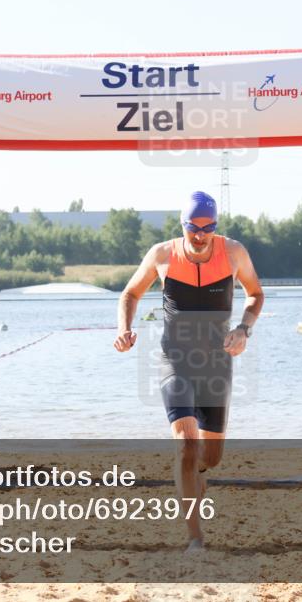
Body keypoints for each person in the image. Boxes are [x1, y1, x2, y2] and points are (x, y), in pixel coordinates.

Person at [114, 191, 264, 552]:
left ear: (216, 226)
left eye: (207, 228)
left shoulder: (233, 253)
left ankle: (194, 478)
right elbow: (130, 294)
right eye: (193, 228)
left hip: (216, 362)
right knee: (185, 445)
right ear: (182, 226)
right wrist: (123, 328)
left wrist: (243, 329)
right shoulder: (163, 254)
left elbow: (255, 294)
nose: (200, 235)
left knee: (209, 459)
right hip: (174, 359)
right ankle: (195, 537)